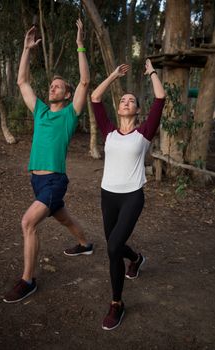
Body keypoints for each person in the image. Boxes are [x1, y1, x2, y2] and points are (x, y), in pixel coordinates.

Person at [3, 19, 93, 303]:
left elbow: (85, 81)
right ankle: (85, 243)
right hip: (36, 180)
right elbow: (22, 81)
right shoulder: (40, 110)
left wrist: (80, 43)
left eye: (58, 86)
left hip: (55, 179)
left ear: (66, 95)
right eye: (51, 85)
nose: (52, 88)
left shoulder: (69, 115)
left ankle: (27, 281)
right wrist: (27, 49)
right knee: (64, 218)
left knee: (28, 223)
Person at [91, 59, 165, 330]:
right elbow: (96, 97)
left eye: (131, 100)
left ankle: (116, 304)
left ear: (137, 109)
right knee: (114, 245)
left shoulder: (144, 132)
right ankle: (135, 258)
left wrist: (151, 72)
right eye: (122, 99)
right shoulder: (108, 131)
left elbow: (160, 97)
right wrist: (113, 75)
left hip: (132, 196)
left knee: (112, 248)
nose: (125, 102)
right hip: (107, 195)